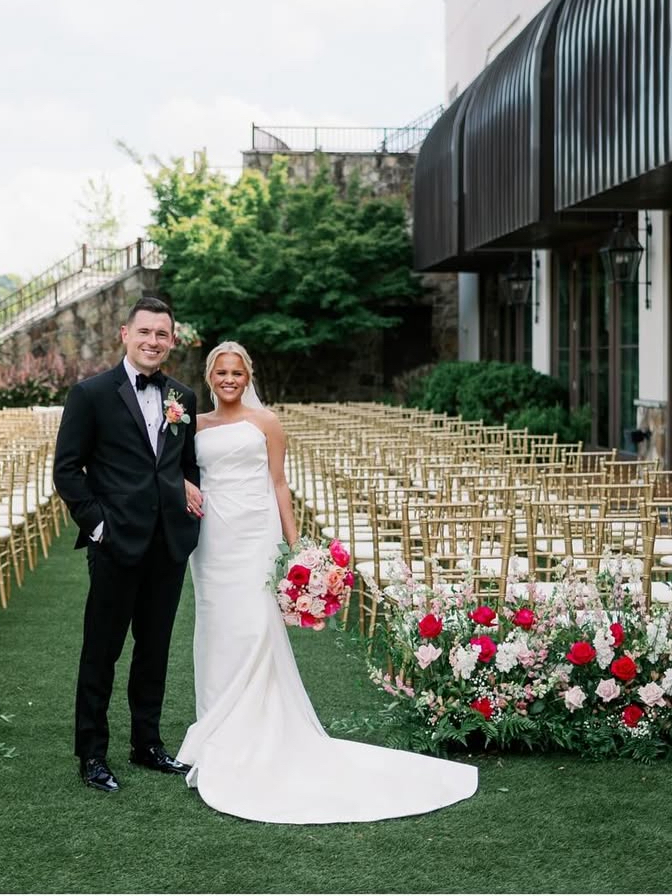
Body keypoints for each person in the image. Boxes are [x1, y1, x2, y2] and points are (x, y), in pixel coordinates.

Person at [176, 341, 478, 823]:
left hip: (256, 535)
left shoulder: (266, 423)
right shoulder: (195, 424)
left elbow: (278, 483)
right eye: (220, 372)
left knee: (256, 629)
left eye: (236, 372)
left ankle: (257, 733)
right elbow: (179, 471)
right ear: (209, 376)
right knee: (215, 631)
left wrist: (296, 548)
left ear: (247, 376)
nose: (229, 379)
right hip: (212, 540)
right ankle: (216, 730)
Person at [53, 297, 204, 793]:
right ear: (124, 333)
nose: (153, 341)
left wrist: (187, 494)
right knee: (102, 651)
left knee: (154, 649)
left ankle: (147, 743)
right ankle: (92, 754)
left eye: (162, 334)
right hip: (116, 544)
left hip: (168, 545)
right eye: (145, 332)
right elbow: (67, 470)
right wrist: (98, 526)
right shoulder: (91, 394)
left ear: (172, 340)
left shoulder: (183, 396)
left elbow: (183, 465)